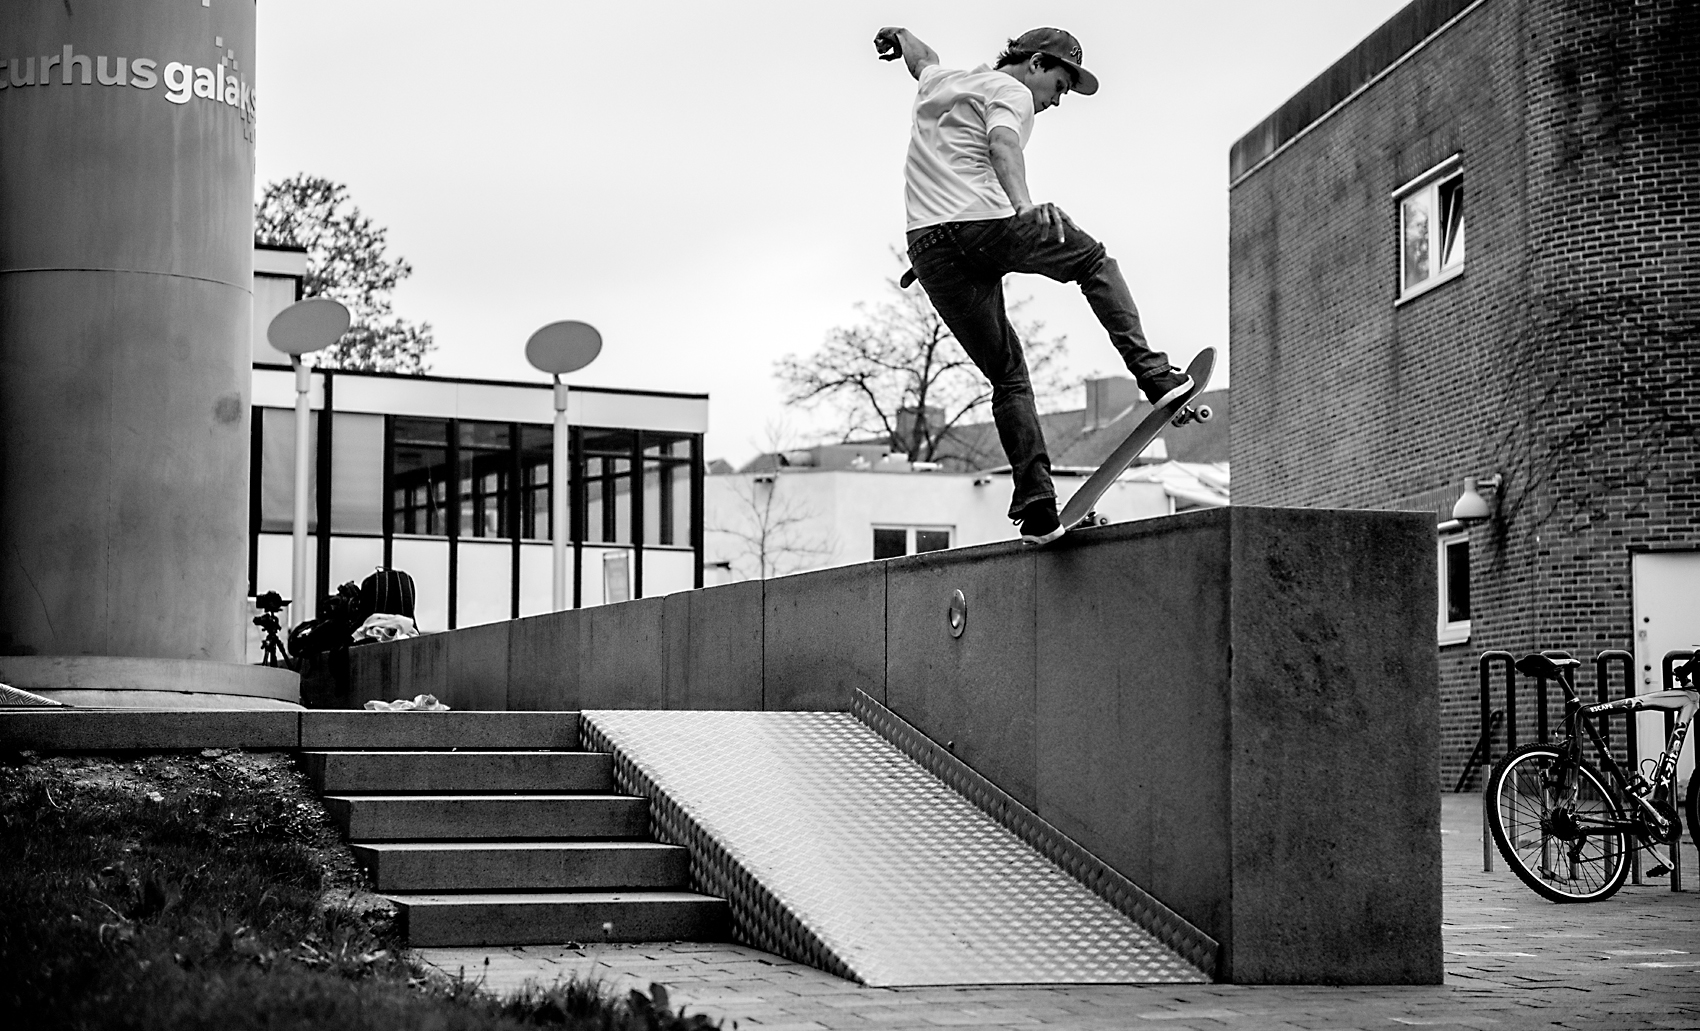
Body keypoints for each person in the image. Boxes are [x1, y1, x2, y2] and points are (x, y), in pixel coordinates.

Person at [875, 26, 1192, 545]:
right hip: (985, 226)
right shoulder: (1014, 91)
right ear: (1038, 64)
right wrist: (1024, 209)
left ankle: (1038, 507)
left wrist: (900, 35)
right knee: (1092, 261)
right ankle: (1154, 376)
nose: (1055, 101)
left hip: (929, 250)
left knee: (1008, 377)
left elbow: (920, 58)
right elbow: (1002, 145)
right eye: (1060, 87)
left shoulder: (940, 80)